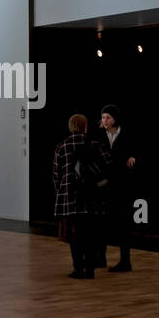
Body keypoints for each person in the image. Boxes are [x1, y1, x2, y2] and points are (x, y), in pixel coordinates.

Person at [52, 113, 110, 279]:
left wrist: (60, 192)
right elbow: (107, 165)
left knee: (74, 235)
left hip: (69, 196)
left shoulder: (62, 146)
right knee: (89, 233)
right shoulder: (94, 144)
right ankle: (90, 269)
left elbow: (56, 174)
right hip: (91, 195)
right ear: (85, 126)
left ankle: (78, 269)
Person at [97, 104, 137, 272]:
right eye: (103, 117)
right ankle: (100, 259)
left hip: (121, 186)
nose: (105, 120)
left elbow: (135, 150)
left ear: (115, 119)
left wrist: (133, 156)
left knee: (123, 225)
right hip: (104, 185)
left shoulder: (126, 134)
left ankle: (125, 261)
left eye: (108, 117)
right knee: (101, 223)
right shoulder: (98, 135)